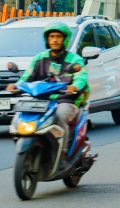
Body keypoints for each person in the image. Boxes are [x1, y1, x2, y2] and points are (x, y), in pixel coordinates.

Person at [5, 22, 89, 156]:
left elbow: (81, 77)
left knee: (60, 117)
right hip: (41, 99)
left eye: (58, 36)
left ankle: (63, 153)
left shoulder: (74, 59)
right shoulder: (40, 58)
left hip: (65, 99)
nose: (54, 40)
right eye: (51, 37)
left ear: (65, 39)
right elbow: (27, 76)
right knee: (21, 118)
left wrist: (74, 86)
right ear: (47, 39)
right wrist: (17, 85)